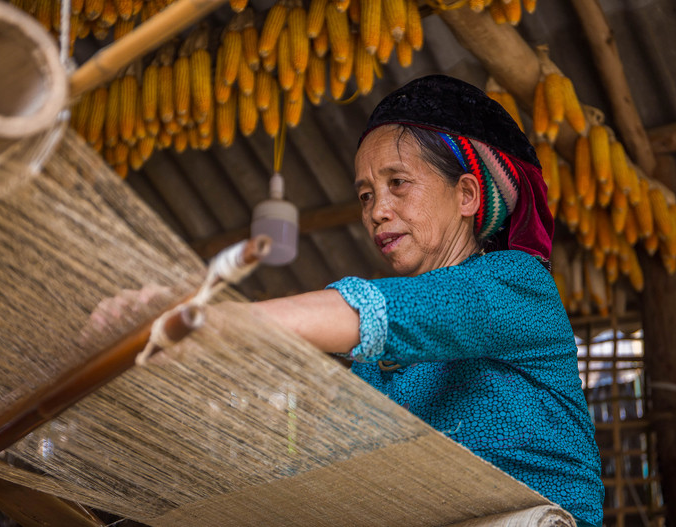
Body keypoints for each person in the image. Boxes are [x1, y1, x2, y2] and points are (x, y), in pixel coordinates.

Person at [96, 75, 604, 526]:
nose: (378, 211)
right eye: (365, 195)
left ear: (467, 195)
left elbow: (386, 312)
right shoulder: (377, 366)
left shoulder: (514, 284)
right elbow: (326, 469)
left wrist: (206, 320)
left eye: (398, 184)